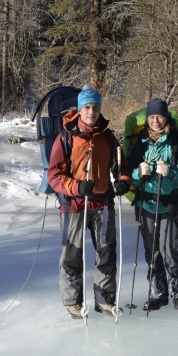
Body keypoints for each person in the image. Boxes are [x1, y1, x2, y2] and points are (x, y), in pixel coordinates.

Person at [47, 87, 131, 319]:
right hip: (73, 205)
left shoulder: (107, 137)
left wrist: (123, 182)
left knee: (106, 253)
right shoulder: (65, 136)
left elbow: (121, 167)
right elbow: (54, 174)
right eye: (87, 107)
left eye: (95, 107)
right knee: (72, 255)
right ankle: (74, 301)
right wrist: (75, 186)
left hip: (102, 203)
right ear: (80, 109)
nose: (92, 112)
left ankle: (104, 301)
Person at [128, 98, 178, 311]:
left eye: (159, 116)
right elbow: (129, 174)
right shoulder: (141, 141)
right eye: (151, 117)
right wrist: (139, 173)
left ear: (166, 117)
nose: (156, 121)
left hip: (170, 205)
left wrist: (171, 172)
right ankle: (159, 292)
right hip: (146, 204)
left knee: (171, 250)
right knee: (152, 251)